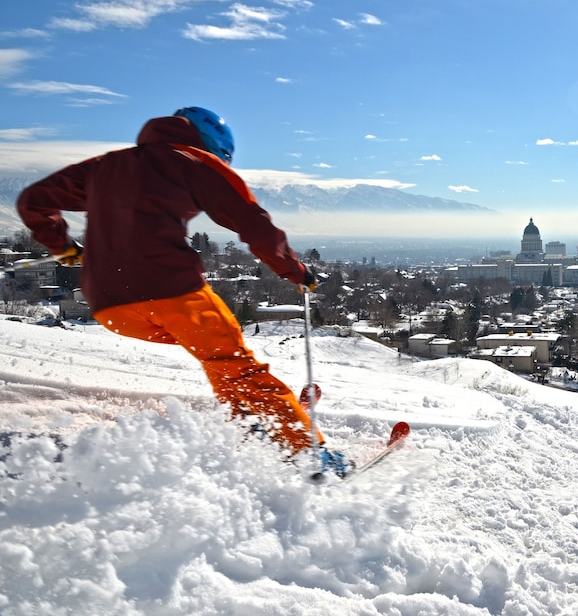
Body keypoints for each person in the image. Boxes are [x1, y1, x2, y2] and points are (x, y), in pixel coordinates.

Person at [16, 106, 347, 475]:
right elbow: (253, 223)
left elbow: (33, 200)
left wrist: (63, 247)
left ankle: (254, 424)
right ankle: (308, 455)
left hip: (109, 306)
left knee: (219, 357)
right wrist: (295, 270)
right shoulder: (194, 161)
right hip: (170, 289)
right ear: (214, 145)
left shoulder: (106, 165)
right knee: (232, 364)